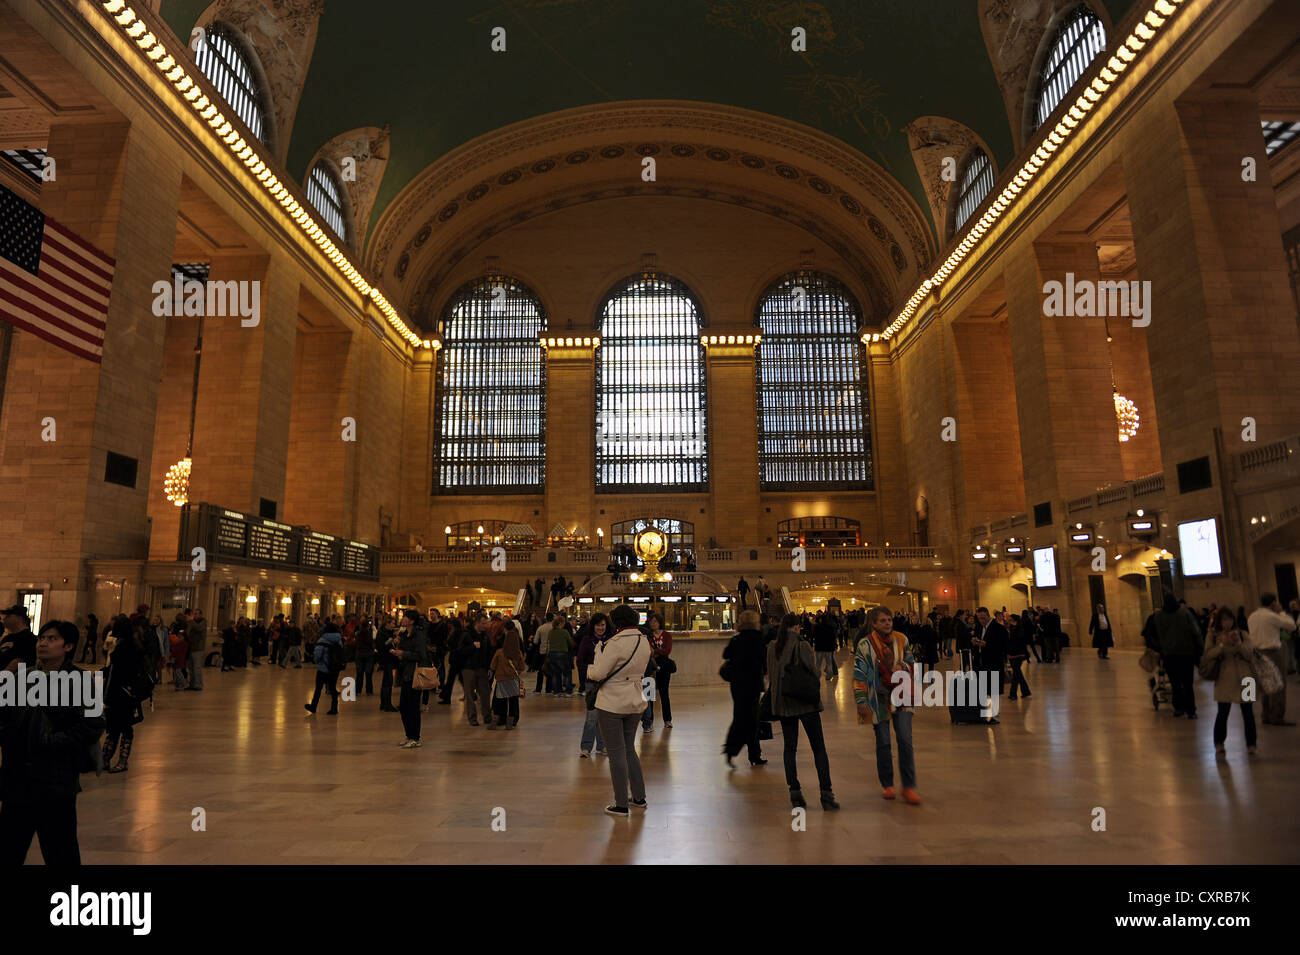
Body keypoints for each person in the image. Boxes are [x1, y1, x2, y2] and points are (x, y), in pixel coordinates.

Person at [0, 620, 105, 864]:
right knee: (8, 849)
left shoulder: (83, 681)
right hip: (17, 779)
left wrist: (53, 742)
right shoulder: (21, 678)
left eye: (52, 639)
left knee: (61, 852)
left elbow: (93, 725)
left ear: (68, 646)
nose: (43, 643)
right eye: (41, 639)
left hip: (55, 780)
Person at [588, 605, 653, 816]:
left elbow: (598, 673)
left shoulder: (613, 643)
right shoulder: (643, 639)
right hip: (635, 700)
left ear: (616, 622)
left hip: (612, 702)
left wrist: (595, 659)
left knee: (615, 752)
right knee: (628, 749)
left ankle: (621, 804)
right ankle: (639, 797)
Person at [768, 612, 837, 809]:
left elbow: (771, 675)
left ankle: (795, 791)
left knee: (790, 748)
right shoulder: (802, 645)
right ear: (798, 627)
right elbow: (814, 672)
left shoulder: (773, 647)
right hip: (806, 703)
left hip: (784, 705)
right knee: (819, 748)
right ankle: (826, 793)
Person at [854, 607, 920, 805]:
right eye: (882, 620)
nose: (887, 623)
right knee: (883, 742)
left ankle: (908, 786)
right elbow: (859, 673)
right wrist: (861, 700)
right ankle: (888, 785)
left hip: (901, 697)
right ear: (873, 623)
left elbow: (911, 661)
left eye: (889, 619)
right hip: (878, 699)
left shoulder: (902, 639)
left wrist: (904, 666)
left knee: (905, 741)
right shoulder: (865, 645)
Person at [1203, 608, 1257, 756]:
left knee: (1248, 713)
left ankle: (1251, 744)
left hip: (1246, 678)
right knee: (1223, 712)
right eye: (1224, 620)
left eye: (1230, 619)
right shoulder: (1212, 636)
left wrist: (1238, 643)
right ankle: (1219, 742)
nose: (1228, 623)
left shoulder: (1243, 634)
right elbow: (1207, 655)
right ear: (1219, 622)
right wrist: (1222, 645)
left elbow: (1249, 654)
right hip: (1224, 678)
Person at [102, 615, 149, 773]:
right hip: (121, 692)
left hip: (123, 693)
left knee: (122, 726)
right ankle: (106, 758)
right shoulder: (129, 644)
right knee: (115, 726)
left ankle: (120, 760)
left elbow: (122, 670)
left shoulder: (127, 646)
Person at [722, 610, 768, 767]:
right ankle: (751, 754)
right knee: (751, 720)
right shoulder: (758, 639)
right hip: (753, 684)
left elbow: (726, 654)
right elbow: (764, 661)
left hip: (737, 684)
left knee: (741, 716)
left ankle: (739, 751)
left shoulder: (736, 639)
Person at [1246, 593, 1297, 726]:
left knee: (1266, 684)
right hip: (1272, 652)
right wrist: (1281, 612)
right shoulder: (1271, 616)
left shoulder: (1252, 616)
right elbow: (1292, 626)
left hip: (1257, 653)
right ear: (1273, 603)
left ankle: (1266, 715)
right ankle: (1277, 716)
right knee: (1278, 684)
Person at [1153, 593, 1203, 719]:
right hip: (1186, 653)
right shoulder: (1184, 613)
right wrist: (1201, 649)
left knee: (1175, 683)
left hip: (1169, 654)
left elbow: (1155, 634)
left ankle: (1178, 708)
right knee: (1187, 683)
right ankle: (1190, 710)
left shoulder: (1158, 616)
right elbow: (1195, 631)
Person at [390, 610, 429, 746]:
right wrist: (397, 652)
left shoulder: (418, 635)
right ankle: (408, 734)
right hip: (405, 673)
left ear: (412, 620)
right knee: (404, 706)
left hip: (414, 674)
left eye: (406, 617)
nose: (403, 619)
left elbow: (420, 655)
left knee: (412, 707)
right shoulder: (404, 634)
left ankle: (415, 737)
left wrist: (404, 653)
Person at [578, 614, 609, 757]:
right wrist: (591, 671)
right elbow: (580, 661)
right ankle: (586, 747)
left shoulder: (610, 641)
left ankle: (602, 746)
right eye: (598, 625)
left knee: (604, 716)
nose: (600, 628)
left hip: (607, 683)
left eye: (603, 625)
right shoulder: (587, 640)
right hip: (591, 683)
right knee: (591, 716)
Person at [970, 607, 1006, 723]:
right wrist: (975, 642)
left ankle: (995, 715)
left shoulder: (998, 628)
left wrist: (987, 645)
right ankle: (984, 713)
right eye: (979, 618)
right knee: (984, 689)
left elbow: (1003, 646)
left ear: (988, 615)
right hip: (981, 663)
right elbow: (977, 641)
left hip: (994, 663)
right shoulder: (979, 627)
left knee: (994, 690)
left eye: (983, 618)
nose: (981, 620)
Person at [489, 622, 525, 729]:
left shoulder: (499, 652)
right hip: (513, 679)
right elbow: (522, 667)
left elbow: (493, 666)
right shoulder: (518, 653)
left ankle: (500, 720)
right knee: (513, 701)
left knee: (500, 700)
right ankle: (512, 721)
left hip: (501, 680)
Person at [641, 613, 674, 731]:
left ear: (660, 622)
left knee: (664, 693)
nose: (653, 623)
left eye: (655, 621)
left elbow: (667, 650)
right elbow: (646, 651)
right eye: (651, 621)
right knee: (648, 695)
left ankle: (667, 719)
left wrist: (655, 651)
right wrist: (657, 651)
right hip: (649, 667)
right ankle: (648, 722)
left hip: (664, 667)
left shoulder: (667, 635)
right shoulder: (647, 636)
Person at [304, 621, 345, 716]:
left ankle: (313, 706)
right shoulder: (339, 639)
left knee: (318, 688)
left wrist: (317, 662)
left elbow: (317, 655)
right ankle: (334, 708)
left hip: (323, 668)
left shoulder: (322, 639)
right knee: (332, 688)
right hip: (335, 668)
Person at [461, 614, 494, 727]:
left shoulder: (485, 636)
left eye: (487, 623)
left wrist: (489, 667)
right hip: (468, 669)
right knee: (470, 695)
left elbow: (490, 652)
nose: (486, 626)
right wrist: (472, 647)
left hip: (482, 669)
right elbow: (459, 651)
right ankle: (472, 718)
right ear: (477, 623)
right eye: (484, 623)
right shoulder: (466, 635)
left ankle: (487, 717)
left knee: (485, 693)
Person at [0, 604, 37, 673]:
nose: (4, 619)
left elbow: (17, 663)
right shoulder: (7, 638)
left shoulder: (29, 638)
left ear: (19, 618)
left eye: (8, 616)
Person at [546, 613, 574, 696]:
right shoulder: (564, 632)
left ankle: (557, 691)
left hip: (551, 654)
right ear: (561, 623)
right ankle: (568, 691)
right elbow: (570, 643)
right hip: (562, 654)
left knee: (555, 674)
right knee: (567, 673)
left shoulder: (550, 632)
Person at [1006, 614, 1032, 700]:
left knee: (1016, 674)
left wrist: (1011, 631)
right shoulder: (1011, 629)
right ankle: (1025, 691)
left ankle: (1013, 694)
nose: (1008, 622)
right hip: (1011, 654)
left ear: (1015, 621)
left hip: (1018, 654)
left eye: (1010, 620)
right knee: (1018, 674)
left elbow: (1018, 639)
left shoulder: (1019, 629)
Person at [812, 611, 838, 682]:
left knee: (818, 663)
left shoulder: (817, 627)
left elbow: (814, 636)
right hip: (828, 647)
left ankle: (817, 675)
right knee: (829, 662)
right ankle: (829, 676)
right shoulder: (831, 627)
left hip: (819, 647)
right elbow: (833, 637)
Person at [185, 608, 207, 690]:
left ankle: (198, 685)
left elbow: (198, 628)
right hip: (191, 647)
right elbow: (188, 632)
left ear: (201, 615)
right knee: (191, 668)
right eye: (194, 613)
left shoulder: (203, 621)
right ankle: (192, 684)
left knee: (197, 668)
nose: (195, 615)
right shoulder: (192, 622)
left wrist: (191, 621)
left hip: (198, 648)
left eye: (197, 613)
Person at [353, 618, 375, 696]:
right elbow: (371, 643)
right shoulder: (369, 634)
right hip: (368, 655)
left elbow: (355, 644)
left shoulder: (358, 634)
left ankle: (357, 690)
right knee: (368, 674)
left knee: (359, 674)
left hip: (359, 655)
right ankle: (369, 691)